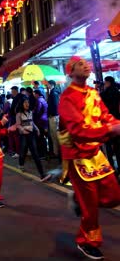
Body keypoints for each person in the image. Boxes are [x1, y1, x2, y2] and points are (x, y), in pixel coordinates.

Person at [58, 56, 120, 261]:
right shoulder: (67, 97)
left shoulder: (93, 92)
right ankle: (87, 241)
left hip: (96, 153)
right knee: (91, 207)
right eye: (79, 64)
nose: (86, 65)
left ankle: (79, 199)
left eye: (86, 63)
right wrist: (110, 130)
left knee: (113, 196)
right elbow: (77, 131)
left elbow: (104, 115)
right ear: (70, 71)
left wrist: (114, 124)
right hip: (78, 156)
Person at [16, 98, 51, 182]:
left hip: (31, 135)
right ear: (21, 104)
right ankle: (21, 165)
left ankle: (42, 175)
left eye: (28, 102)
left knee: (35, 154)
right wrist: (22, 130)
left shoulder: (30, 112)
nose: (27, 104)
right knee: (23, 151)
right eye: (25, 102)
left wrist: (37, 129)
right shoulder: (19, 114)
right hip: (24, 136)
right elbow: (18, 125)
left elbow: (32, 122)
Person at [101, 76, 120, 173]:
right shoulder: (117, 92)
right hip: (117, 122)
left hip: (108, 123)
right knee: (118, 147)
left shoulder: (104, 94)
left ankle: (111, 166)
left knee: (108, 147)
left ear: (108, 83)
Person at [47, 80, 61, 158]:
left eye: (48, 84)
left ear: (51, 84)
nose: (47, 86)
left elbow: (55, 105)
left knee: (55, 135)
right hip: (54, 116)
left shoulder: (53, 93)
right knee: (54, 135)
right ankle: (56, 152)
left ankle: (57, 153)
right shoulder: (54, 92)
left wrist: (52, 114)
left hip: (54, 116)